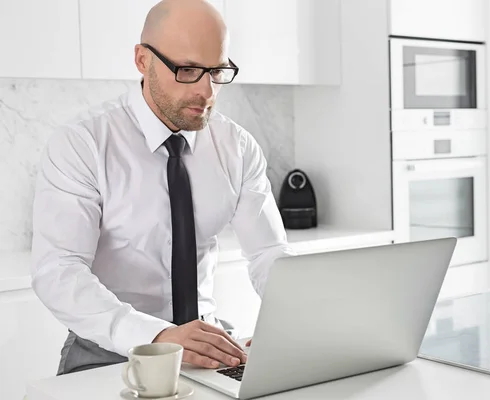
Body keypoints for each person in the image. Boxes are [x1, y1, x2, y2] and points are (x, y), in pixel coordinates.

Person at [30, 0, 293, 375]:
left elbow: (268, 252)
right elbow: (58, 270)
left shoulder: (236, 146)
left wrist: (300, 320)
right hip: (111, 350)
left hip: (206, 345)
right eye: (187, 70)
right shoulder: (83, 143)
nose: (207, 91)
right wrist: (157, 337)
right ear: (142, 60)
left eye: (216, 71)